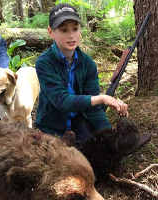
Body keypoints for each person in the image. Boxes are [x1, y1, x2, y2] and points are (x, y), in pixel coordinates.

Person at [35, 3, 131, 146]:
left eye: (75, 28)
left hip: (78, 125)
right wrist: (103, 98)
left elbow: (93, 110)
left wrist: (109, 134)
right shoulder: (44, 63)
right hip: (50, 128)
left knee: (99, 152)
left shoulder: (88, 64)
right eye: (64, 30)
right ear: (51, 32)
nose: (71, 35)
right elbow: (62, 101)